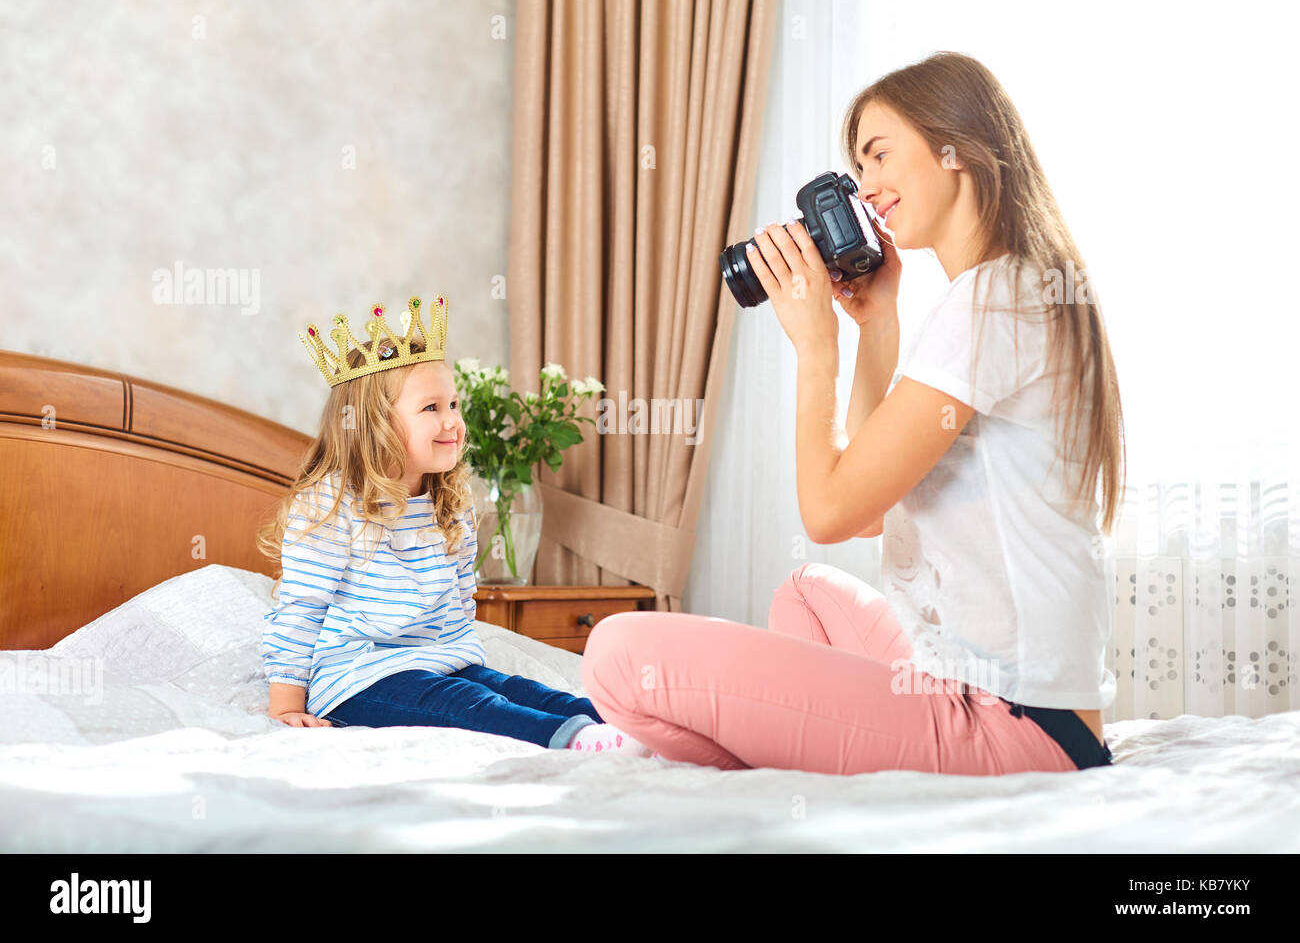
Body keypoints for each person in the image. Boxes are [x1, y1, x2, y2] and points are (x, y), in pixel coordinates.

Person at [580, 51, 1124, 775]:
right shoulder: (1008, 290)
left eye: (878, 156)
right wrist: (876, 325)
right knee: (804, 594)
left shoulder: (993, 302)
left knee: (619, 653)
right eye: (858, 171)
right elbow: (871, 510)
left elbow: (830, 514)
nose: (867, 190)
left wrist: (815, 348)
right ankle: (808, 755)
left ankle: (769, 769)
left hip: (1014, 723)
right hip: (1037, 712)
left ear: (956, 147)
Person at [257, 296, 652, 756]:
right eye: (431, 408)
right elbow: (302, 606)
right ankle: (582, 742)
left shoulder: (450, 501)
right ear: (374, 424)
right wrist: (285, 704)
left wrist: (463, 660)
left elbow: (461, 602)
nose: (453, 421)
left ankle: (639, 725)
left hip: (443, 662)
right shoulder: (331, 502)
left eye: (454, 403)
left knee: (518, 690)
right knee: (466, 705)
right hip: (359, 678)